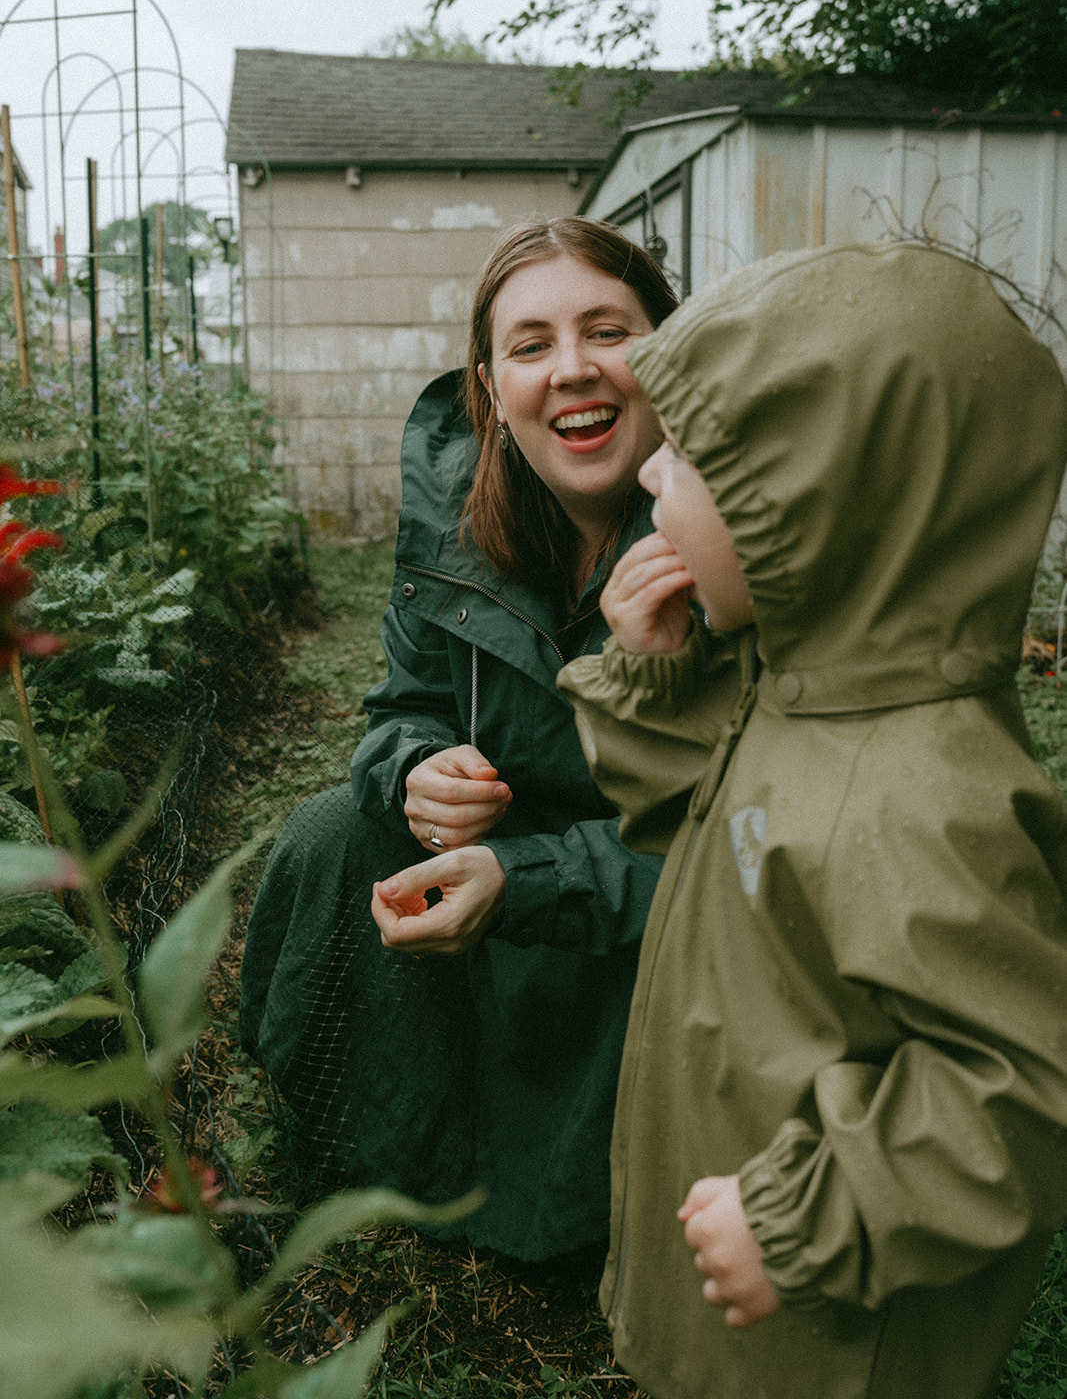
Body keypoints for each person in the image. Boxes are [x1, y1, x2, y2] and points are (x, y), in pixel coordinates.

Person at [557, 240, 1067, 1398]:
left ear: (816, 508)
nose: (648, 478)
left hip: (829, 1340)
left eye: (688, 458)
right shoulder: (801, 684)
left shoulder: (922, 796)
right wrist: (656, 678)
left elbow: (1027, 1085)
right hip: (744, 1301)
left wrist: (807, 1219)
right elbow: (695, 825)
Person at [240, 217, 698, 1262]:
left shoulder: (728, 525)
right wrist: (415, 770)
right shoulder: (455, 515)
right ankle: (374, 1130)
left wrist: (528, 874)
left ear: (668, 352)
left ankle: (603, 1192)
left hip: (661, 875)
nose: (571, 369)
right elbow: (398, 705)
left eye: (606, 330)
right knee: (326, 832)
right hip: (505, 846)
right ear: (490, 389)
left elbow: (741, 825)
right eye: (530, 345)